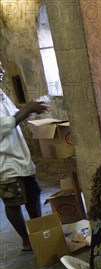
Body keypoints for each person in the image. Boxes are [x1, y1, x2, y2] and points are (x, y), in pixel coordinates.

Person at [0, 60, 48, 251]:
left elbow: (12, 119)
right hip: (5, 161)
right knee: (13, 201)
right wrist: (27, 109)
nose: (2, 70)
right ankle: (27, 241)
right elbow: (3, 126)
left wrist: (27, 110)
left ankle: (38, 230)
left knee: (33, 192)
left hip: (19, 156)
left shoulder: (1, 93)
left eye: (1, 65)